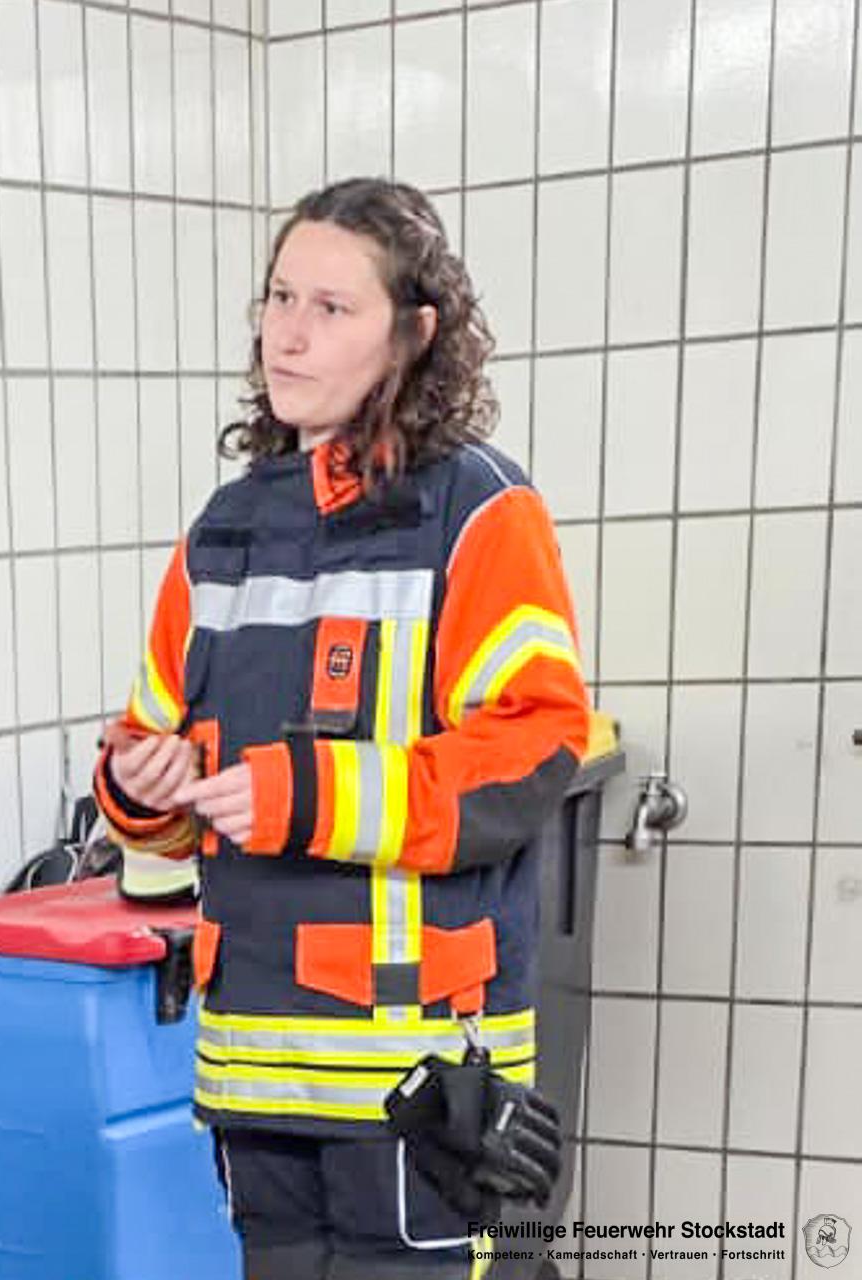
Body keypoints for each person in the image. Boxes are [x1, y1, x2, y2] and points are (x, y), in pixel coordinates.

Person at [95, 178, 591, 1279]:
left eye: (331, 307)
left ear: (413, 335)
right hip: (255, 1082)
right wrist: (141, 786)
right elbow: (152, 778)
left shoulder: (479, 511)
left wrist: (306, 792)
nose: (288, 333)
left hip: (415, 1087)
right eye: (280, 297)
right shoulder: (224, 533)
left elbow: (533, 747)